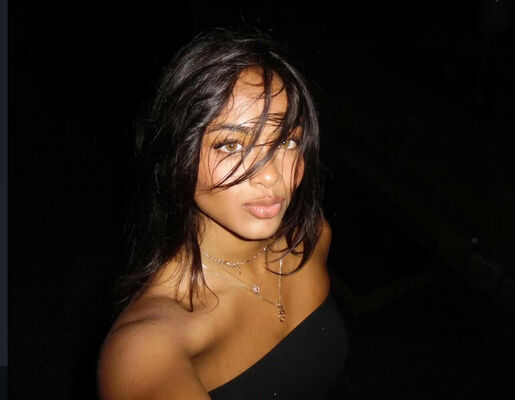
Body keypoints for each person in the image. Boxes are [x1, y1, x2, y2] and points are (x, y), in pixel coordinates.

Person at [97, 26, 348, 399]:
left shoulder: (310, 236)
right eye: (231, 145)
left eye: (287, 140)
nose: (270, 175)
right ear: (176, 154)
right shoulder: (145, 349)